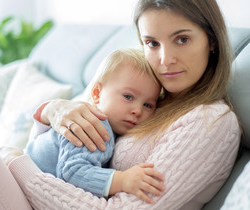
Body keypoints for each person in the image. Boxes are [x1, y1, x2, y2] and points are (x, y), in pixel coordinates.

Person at [0, 1, 241, 210]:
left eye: (181, 39)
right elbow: (60, 136)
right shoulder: (154, 94)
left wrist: (14, 162)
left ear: (211, 40)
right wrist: (52, 110)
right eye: (151, 42)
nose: (164, 59)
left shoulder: (210, 123)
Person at [23, 48, 164, 201]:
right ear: (96, 93)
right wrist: (122, 180)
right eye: (128, 96)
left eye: (148, 105)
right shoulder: (95, 124)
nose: (137, 110)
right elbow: (72, 172)